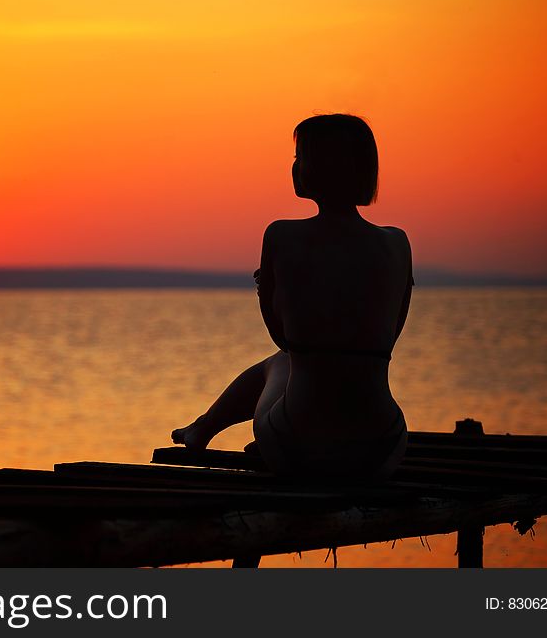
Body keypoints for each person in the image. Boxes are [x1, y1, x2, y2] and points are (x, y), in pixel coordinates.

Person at [171, 114, 413, 481]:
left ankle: (203, 429)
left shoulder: (282, 236)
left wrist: (269, 292)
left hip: (297, 444)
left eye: (301, 156)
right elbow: (388, 336)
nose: (294, 166)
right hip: (382, 447)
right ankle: (203, 428)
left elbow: (283, 338)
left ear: (322, 166)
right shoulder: (398, 243)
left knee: (280, 363)